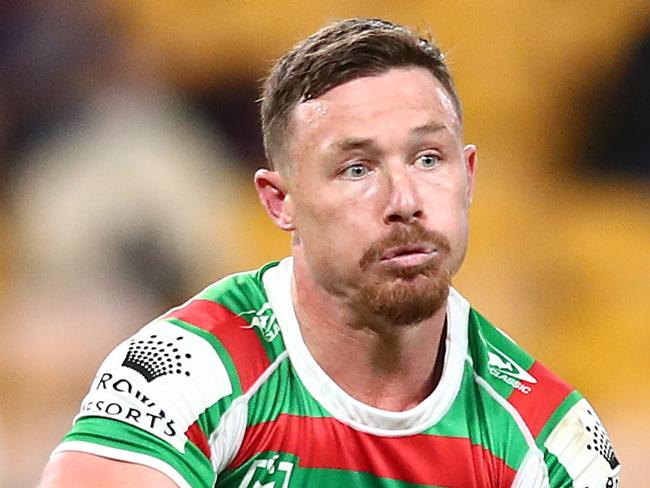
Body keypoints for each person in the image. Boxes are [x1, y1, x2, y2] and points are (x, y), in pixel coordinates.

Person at [40, 18, 621, 487]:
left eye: (428, 159)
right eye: (356, 168)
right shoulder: (185, 372)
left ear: (467, 176)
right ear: (280, 202)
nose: (405, 200)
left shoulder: (550, 443)